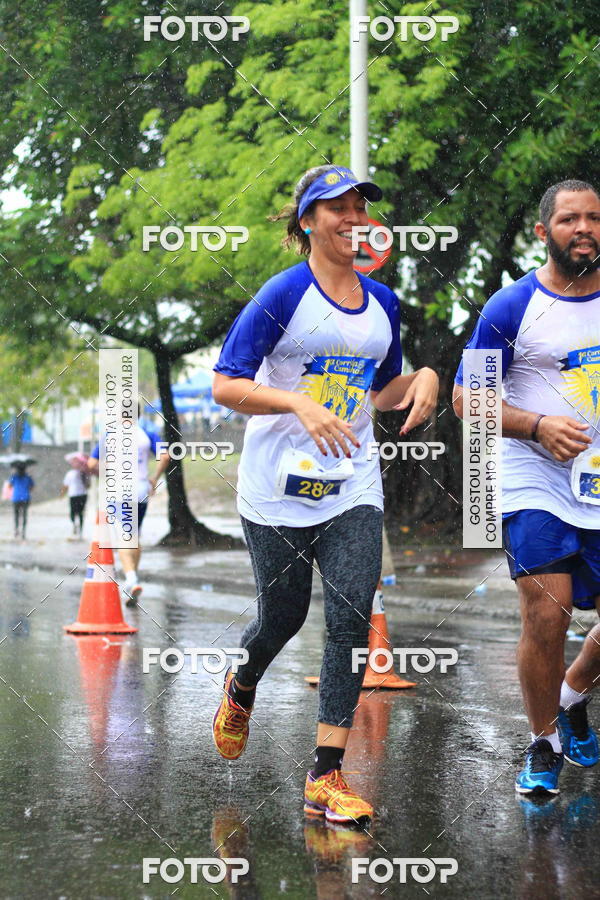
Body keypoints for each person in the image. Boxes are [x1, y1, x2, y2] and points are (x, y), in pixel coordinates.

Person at [211, 164, 439, 824]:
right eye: (336, 207)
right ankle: (242, 683)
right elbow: (226, 384)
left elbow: (381, 391)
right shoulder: (283, 295)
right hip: (275, 490)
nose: (352, 217)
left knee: (350, 618)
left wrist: (423, 377)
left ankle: (326, 773)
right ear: (308, 221)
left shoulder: (383, 303)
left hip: (351, 485)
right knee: (281, 618)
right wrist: (298, 404)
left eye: (359, 206)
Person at [453, 179, 600, 796]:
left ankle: (572, 692)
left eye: (594, 218)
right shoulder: (512, 306)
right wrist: (537, 426)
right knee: (547, 611)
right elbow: (467, 399)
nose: (584, 228)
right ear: (543, 232)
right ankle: (543, 743)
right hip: (531, 477)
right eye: (569, 219)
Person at [88, 409, 170, 606]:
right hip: (141, 489)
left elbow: (91, 464)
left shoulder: (110, 435)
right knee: (134, 536)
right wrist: (154, 478)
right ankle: (133, 581)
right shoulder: (147, 434)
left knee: (125, 537)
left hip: (119, 491)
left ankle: (132, 580)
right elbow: (166, 456)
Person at [60, 467, 89, 537]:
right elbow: (88, 485)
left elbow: (66, 485)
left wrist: (62, 494)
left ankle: (75, 524)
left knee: (73, 512)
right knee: (80, 512)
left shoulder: (70, 473)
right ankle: (80, 529)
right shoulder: (84, 473)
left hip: (74, 495)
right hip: (82, 495)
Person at [10, 463, 34, 540]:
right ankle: (23, 532)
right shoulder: (28, 477)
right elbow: (32, 487)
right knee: (24, 515)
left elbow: (10, 486)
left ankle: (16, 530)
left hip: (16, 498)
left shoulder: (14, 477)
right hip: (25, 498)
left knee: (16, 515)